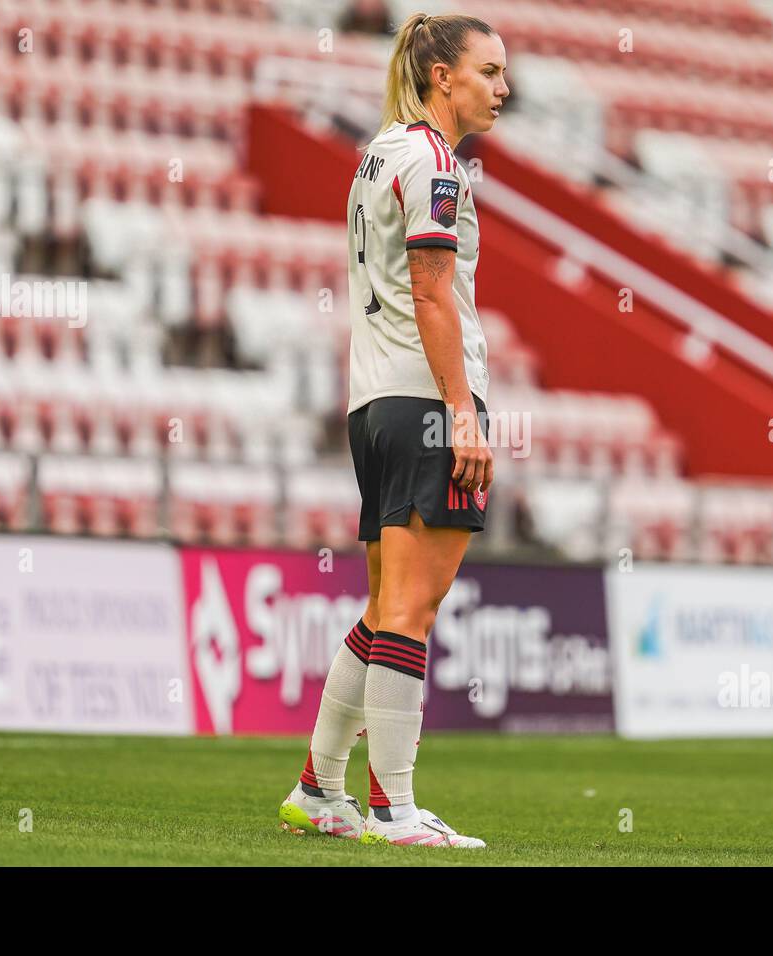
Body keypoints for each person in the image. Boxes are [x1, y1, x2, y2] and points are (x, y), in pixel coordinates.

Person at [277, 13, 509, 848]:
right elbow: (432, 290)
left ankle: (318, 789)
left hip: (371, 404)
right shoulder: (436, 163)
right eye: (488, 71)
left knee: (385, 607)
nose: (502, 88)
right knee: (412, 610)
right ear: (443, 75)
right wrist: (461, 413)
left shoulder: (378, 153)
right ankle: (394, 810)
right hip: (424, 404)